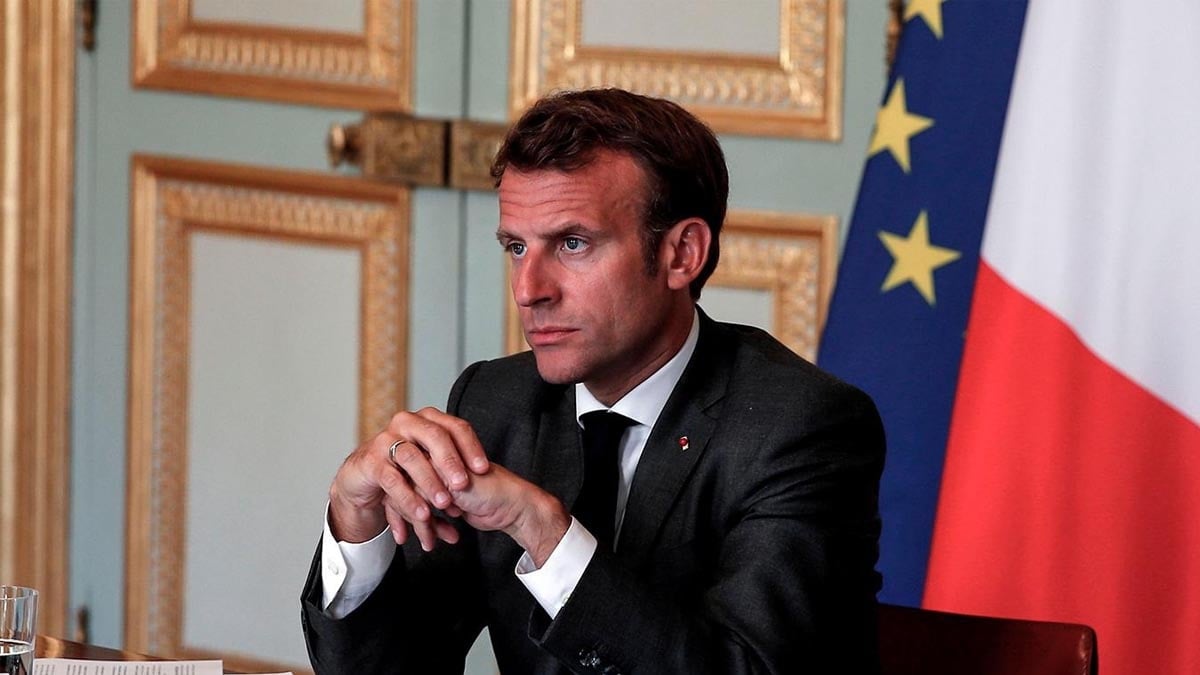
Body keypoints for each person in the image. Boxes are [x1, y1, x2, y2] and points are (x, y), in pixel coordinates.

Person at [300, 88, 885, 674]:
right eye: (516, 246)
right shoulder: (495, 402)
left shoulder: (800, 428)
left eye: (572, 244)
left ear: (682, 254)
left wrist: (542, 530)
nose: (528, 289)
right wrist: (355, 526)